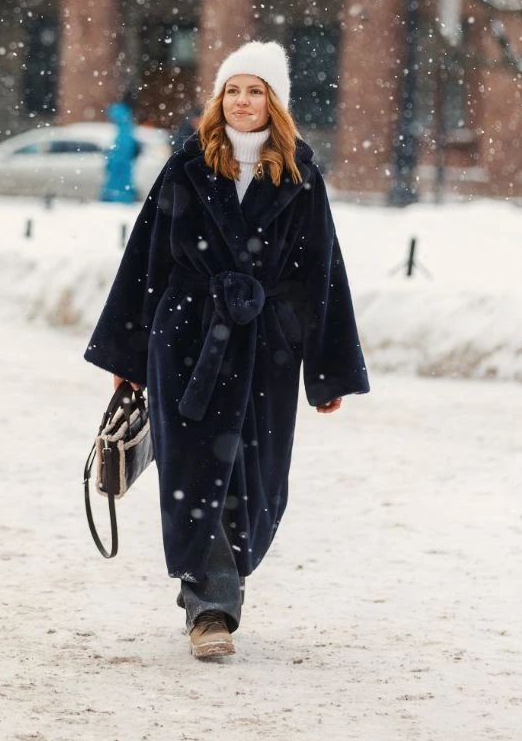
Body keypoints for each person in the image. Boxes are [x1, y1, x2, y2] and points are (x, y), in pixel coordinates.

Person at [84, 40, 369, 659]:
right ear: (220, 99)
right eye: (233, 90)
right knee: (193, 471)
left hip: (266, 346)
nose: (243, 101)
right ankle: (210, 608)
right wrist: (128, 359)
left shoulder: (301, 175)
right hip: (185, 338)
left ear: (276, 102)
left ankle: (220, 578)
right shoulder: (186, 165)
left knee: (254, 482)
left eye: (256, 90)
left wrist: (329, 371)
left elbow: (323, 273)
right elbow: (146, 262)